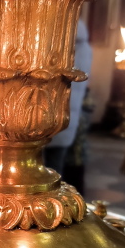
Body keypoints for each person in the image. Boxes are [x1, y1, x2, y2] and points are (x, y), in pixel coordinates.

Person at [44, 20, 93, 178]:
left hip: (47, 116)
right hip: (69, 119)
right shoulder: (85, 48)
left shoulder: (56, 46)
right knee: (56, 170)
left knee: (42, 172)